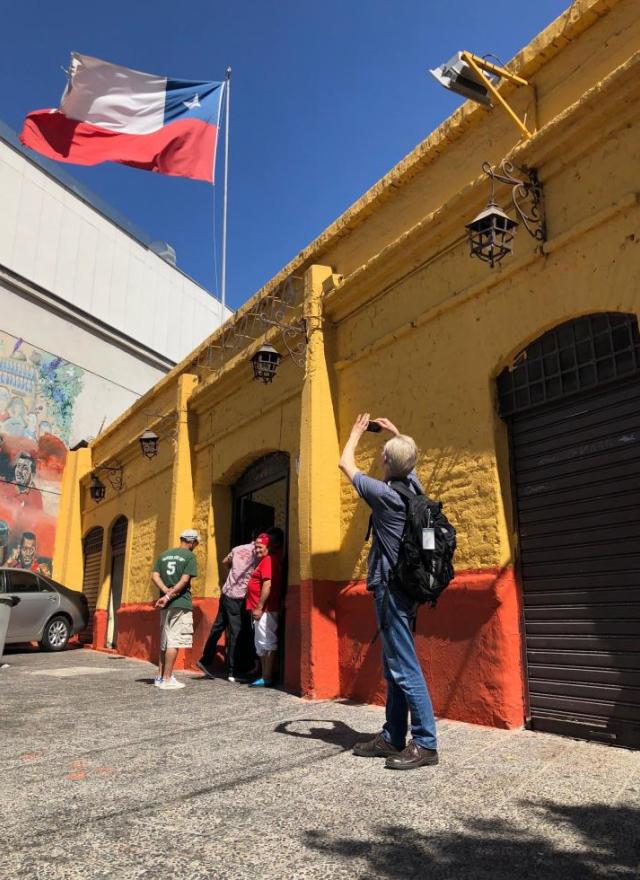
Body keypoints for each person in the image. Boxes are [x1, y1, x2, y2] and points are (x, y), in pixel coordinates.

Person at [339, 413, 438, 771]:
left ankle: (425, 742)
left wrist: (355, 433)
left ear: (385, 461)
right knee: (393, 663)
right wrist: (397, 433)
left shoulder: (382, 494)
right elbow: (407, 460)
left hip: (390, 589)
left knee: (403, 665)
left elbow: (344, 462)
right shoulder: (414, 489)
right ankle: (393, 735)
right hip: (408, 590)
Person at [197, 538, 258, 681]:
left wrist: (231, 574)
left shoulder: (237, 548)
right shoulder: (257, 553)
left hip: (226, 593)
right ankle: (234, 671)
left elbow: (225, 561)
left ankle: (205, 660)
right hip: (238, 596)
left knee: (218, 627)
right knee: (236, 632)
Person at [151, 529, 199, 691]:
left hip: (165, 605)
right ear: (191, 542)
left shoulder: (164, 555)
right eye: (196, 543)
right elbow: (185, 580)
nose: (196, 546)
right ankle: (167, 678)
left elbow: (154, 576)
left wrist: (165, 592)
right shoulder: (190, 556)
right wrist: (171, 595)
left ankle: (159, 676)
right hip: (181, 603)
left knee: (164, 641)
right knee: (174, 641)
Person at [245, 532, 282, 688]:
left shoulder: (267, 560)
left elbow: (268, 585)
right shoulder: (263, 561)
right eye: (256, 547)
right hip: (259, 610)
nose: (257, 550)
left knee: (267, 642)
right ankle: (264, 674)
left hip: (265, 610)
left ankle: (267, 677)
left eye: (260, 547)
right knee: (261, 643)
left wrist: (260, 607)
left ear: (269, 547)